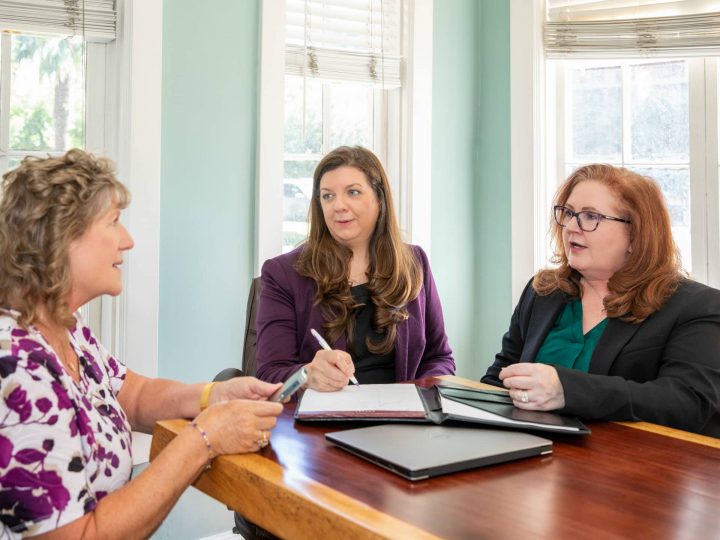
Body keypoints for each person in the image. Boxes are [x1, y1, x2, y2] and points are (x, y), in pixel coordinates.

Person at [0, 149, 284, 538]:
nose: (128, 241)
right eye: (114, 223)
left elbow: (131, 394)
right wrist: (204, 439)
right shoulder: (16, 366)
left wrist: (213, 395)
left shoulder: (64, 327)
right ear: (61, 238)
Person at [482, 164, 720, 436]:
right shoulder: (543, 292)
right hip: (530, 460)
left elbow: (689, 402)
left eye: (590, 216)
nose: (571, 227)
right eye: (568, 213)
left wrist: (568, 390)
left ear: (635, 236)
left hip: (633, 469)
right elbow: (499, 378)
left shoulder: (697, 306)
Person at [256, 146, 455, 389]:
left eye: (353, 192)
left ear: (379, 199)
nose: (338, 205)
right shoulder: (283, 274)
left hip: (404, 419)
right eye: (327, 196)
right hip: (322, 420)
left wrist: (417, 399)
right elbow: (269, 374)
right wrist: (308, 376)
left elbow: (439, 358)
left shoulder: (415, 262)